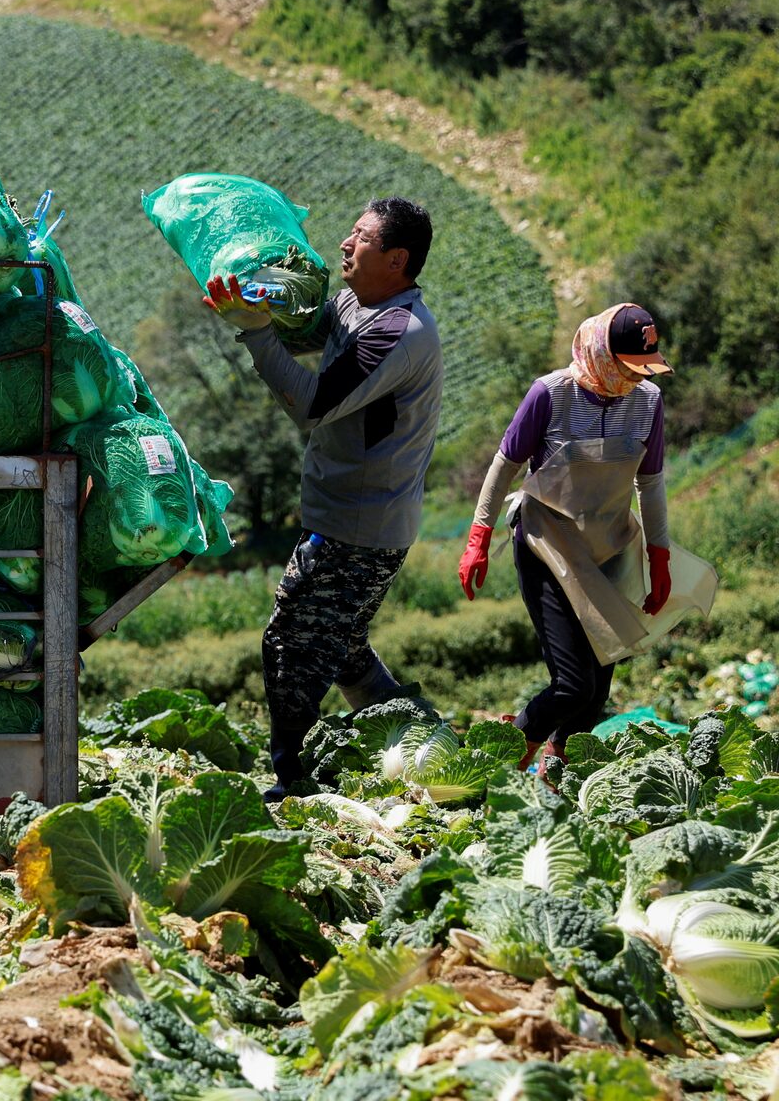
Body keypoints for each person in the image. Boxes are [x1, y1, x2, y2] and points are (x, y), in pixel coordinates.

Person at [204, 198, 443, 798]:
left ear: (397, 259)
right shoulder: (354, 302)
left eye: (360, 238)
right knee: (341, 648)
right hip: (348, 517)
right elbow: (312, 332)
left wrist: (256, 335)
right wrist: (266, 296)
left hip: (361, 527)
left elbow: (313, 405)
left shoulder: (397, 332)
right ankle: (424, 746)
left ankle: (292, 781)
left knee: (291, 645)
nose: (345, 244)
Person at [458, 303, 676, 769]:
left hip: (608, 548)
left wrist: (660, 558)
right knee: (572, 683)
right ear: (601, 354)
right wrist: (479, 539)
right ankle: (506, 760)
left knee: (597, 689)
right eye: (628, 367)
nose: (637, 378)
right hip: (547, 547)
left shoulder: (649, 401)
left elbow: (650, 481)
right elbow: (504, 466)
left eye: (644, 368)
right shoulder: (550, 394)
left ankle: (553, 772)